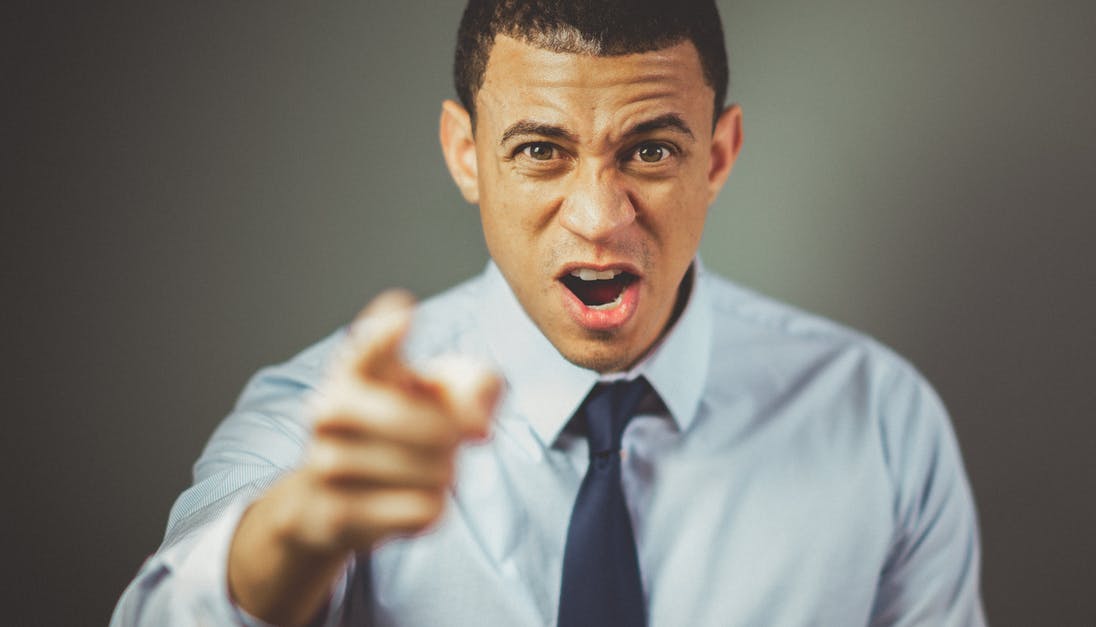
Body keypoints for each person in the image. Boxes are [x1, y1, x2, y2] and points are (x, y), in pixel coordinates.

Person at [112, 1, 986, 625]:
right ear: (466, 155)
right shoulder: (329, 425)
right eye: (540, 150)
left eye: (650, 149)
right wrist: (304, 528)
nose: (599, 217)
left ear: (717, 157)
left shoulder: (880, 419)